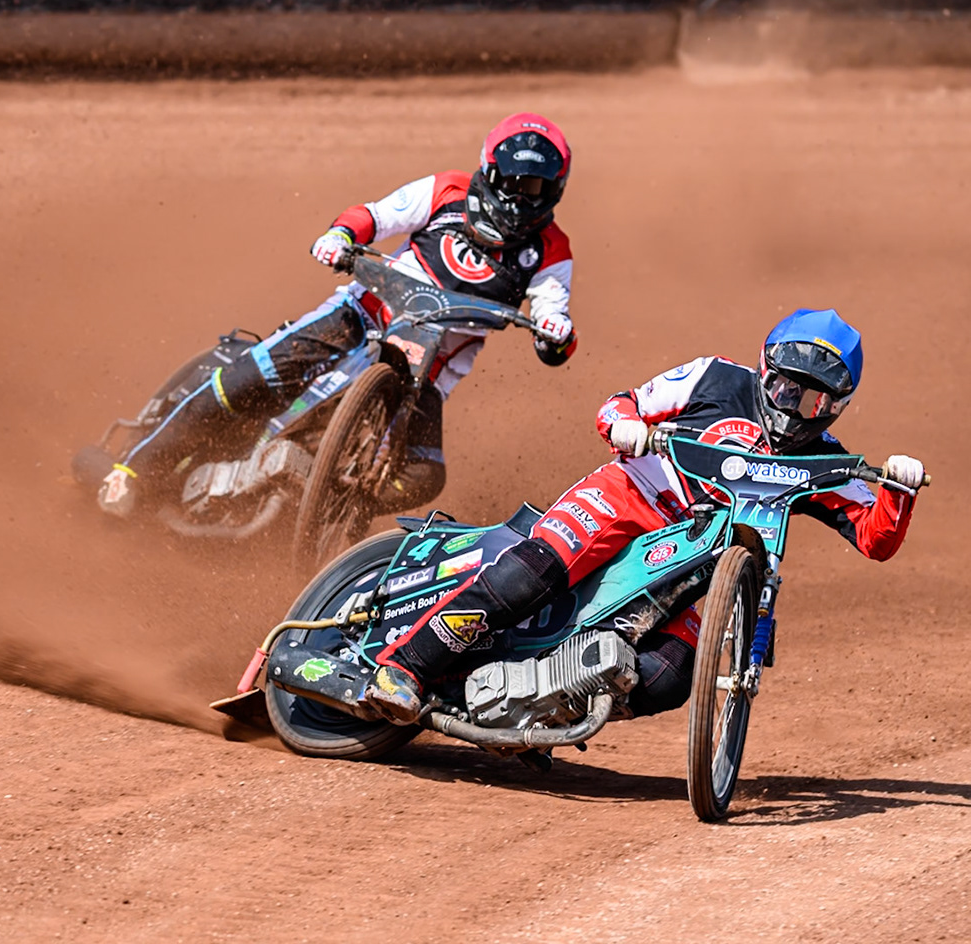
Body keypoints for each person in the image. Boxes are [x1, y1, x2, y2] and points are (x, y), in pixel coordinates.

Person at [364, 308, 926, 724]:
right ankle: (405, 666)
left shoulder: (825, 458)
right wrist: (627, 427)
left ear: (836, 405)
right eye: (782, 385)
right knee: (532, 571)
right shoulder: (715, 378)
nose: (791, 404)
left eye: (812, 400)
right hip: (630, 500)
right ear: (763, 367)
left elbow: (875, 537)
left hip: (686, 566)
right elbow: (620, 405)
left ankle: (543, 704)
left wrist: (898, 489)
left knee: (671, 675)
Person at [97, 112, 579, 518]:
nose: (521, 198)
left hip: (427, 371)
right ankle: (133, 470)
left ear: (553, 191)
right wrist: (341, 237)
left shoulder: (553, 251)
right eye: (514, 183)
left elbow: (553, 315)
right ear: (489, 173)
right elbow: (376, 215)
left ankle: (335, 503)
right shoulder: (444, 191)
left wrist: (555, 333)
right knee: (242, 381)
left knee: (423, 476)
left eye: (535, 187)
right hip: (360, 316)